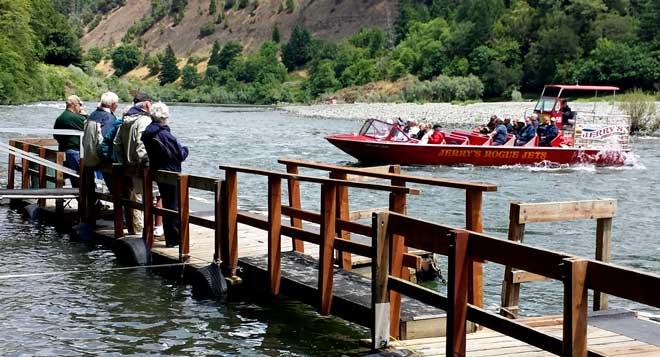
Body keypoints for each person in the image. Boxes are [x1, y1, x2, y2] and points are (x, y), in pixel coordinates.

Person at [142, 102, 189, 247]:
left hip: (158, 171)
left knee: (168, 206)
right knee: (173, 206)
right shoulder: (163, 134)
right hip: (171, 172)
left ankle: (171, 239)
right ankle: (175, 239)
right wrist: (186, 149)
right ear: (164, 117)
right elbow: (179, 154)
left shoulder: (149, 133)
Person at [114, 92, 153, 235]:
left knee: (135, 199)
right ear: (147, 105)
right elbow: (141, 146)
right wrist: (145, 164)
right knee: (150, 199)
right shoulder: (144, 121)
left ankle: (138, 230)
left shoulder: (125, 120)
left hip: (129, 167)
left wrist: (123, 162)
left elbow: (117, 144)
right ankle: (149, 233)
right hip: (141, 168)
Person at [83, 92, 118, 189]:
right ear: (113, 104)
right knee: (116, 189)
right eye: (117, 103)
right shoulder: (108, 118)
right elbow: (107, 141)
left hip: (89, 157)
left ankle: (92, 203)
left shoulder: (92, 115)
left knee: (91, 189)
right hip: (101, 160)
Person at [54, 95, 86, 187]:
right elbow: (89, 124)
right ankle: (86, 199)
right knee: (80, 177)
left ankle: (81, 198)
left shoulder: (61, 117)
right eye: (79, 105)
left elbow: (56, 135)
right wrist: (85, 114)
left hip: (66, 150)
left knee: (74, 177)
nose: (80, 107)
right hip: (75, 151)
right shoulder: (75, 118)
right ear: (75, 105)